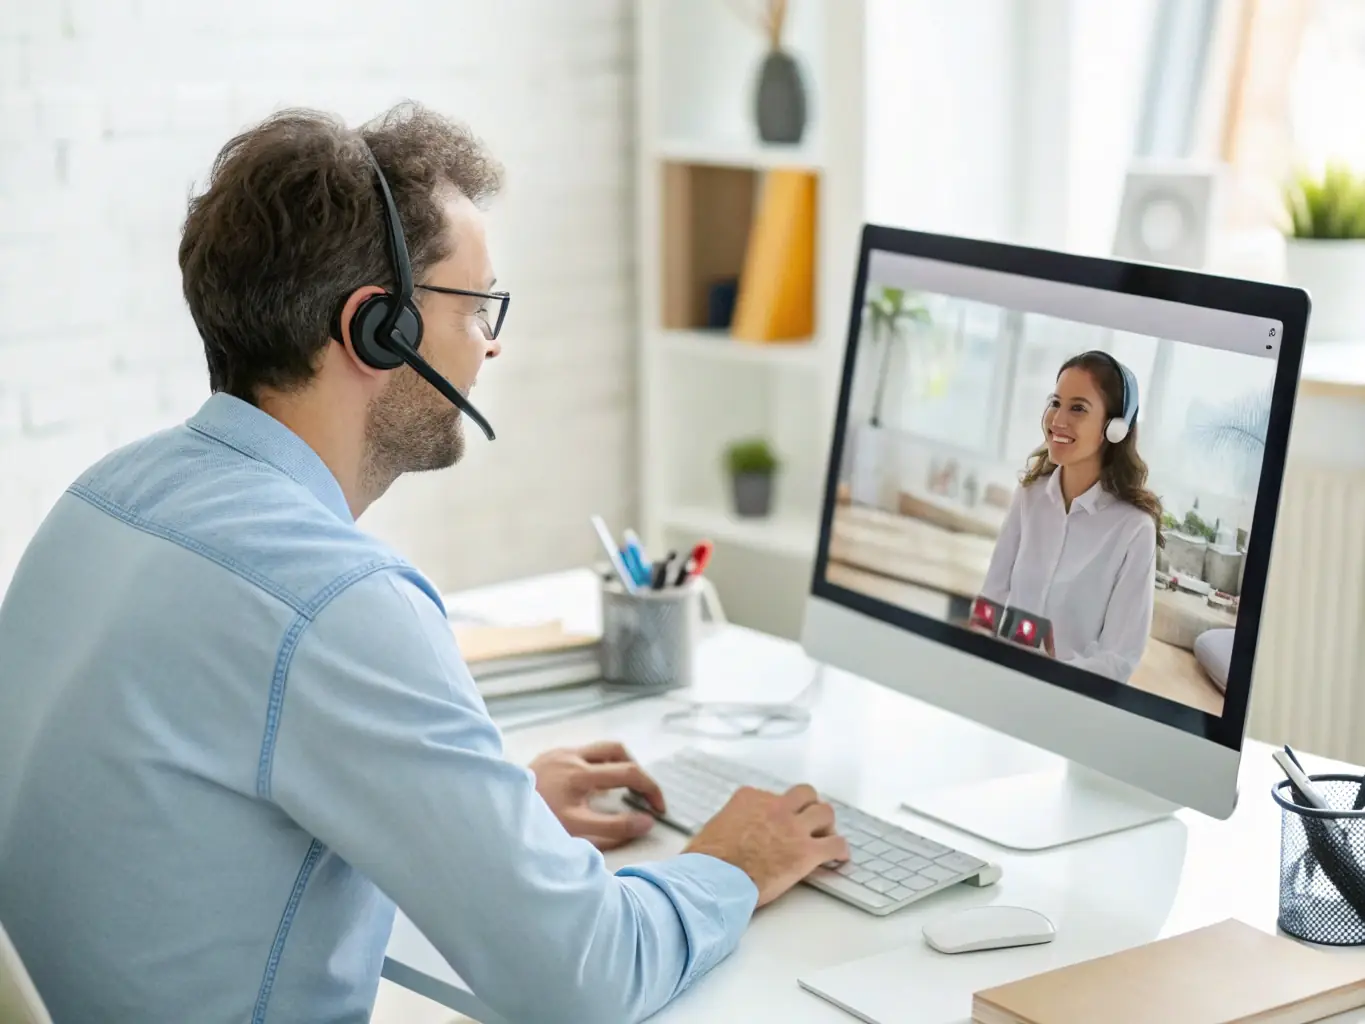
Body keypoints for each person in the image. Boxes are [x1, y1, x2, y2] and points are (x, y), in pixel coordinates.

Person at [0, 103, 849, 1024]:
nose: (492, 343)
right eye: (476, 305)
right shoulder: (337, 603)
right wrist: (728, 867)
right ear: (379, 330)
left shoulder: (106, 498)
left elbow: (180, 819)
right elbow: (588, 982)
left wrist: (486, 821)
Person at [975, 350, 1161, 683]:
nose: (1058, 420)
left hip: (1068, 700)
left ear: (1115, 428)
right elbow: (992, 596)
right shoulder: (1029, 496)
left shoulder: (1134, 530)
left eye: (1078, 408)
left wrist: (1052, 673)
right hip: (997, 680)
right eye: (1055, 402)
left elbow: (1119, 660)